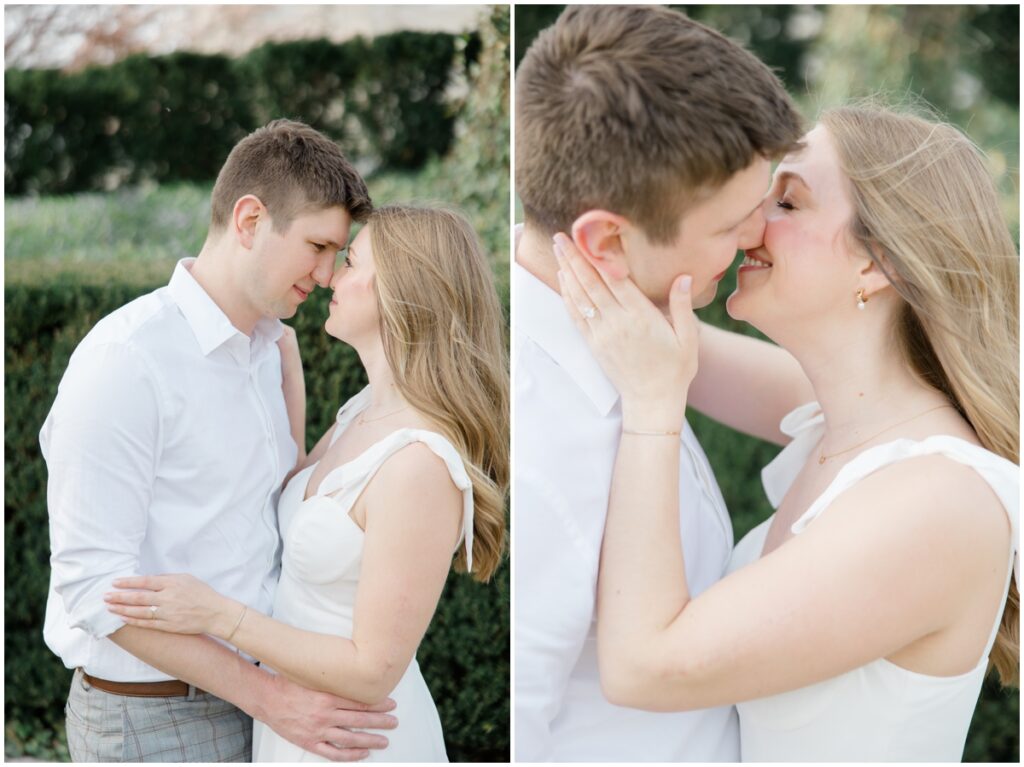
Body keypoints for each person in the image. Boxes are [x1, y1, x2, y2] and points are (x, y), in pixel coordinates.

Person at [555, 104, 1019, 761]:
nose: (749, 225)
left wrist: (653, 411)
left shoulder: (940, 501)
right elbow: (645, 324)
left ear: (876, 263)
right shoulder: (855, 417)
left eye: (788, 202)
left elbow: (642, 664)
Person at [40, 119, 401, 762]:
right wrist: (268, 697)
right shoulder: (127, 359)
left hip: (264, 704)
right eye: (317, 246)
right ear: (250, 219)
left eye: (336, 255)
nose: (324, 275)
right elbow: (93, 585)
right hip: (152, 719)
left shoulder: (270, 350)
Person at [104, 204, 510, 762]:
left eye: (350, 262)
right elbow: (295, 485)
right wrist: (281, 359)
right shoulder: (365, 410)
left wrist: (216, 614)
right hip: (300, 726)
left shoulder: (419, 461)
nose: (329, 277)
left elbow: (372, 670)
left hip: (357, 740)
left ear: (402, 287)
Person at [513, 5, 804, 761]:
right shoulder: (541, 435)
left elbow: (830, 401)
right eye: (732, 220)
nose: (757, 235)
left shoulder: (635, 334)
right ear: (607, 239)